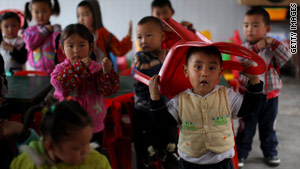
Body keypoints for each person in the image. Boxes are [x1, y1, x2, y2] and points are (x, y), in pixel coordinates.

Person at [148, 46, 264, 169]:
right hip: (189, 164)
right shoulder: (179, 100)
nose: (204, 73)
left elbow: (250, 105)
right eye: (198, 67)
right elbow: (163, 121)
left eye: (212, 68)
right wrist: (154, 97)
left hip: (222, 164)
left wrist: (255, 81)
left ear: (220, 72)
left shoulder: (227, 95)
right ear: (186, 70)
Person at [235, 7, 290, 168]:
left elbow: (286, 56)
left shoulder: (273, 48)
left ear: (267, 29)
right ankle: (242, 153)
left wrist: (273, 43)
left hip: (270, 97)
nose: (249, 29)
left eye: (255, 25)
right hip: (249, 96)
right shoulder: (243, 48)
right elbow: (243, 59)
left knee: (269, 127)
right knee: (246, 127)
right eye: (246, 25)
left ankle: (270, 151)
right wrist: (259, 47)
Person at [50, 23, 120, 149]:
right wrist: (79, 67)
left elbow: (109, 90)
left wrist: (107, 72)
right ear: (62, 49)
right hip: (68, 125)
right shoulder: (59, 70)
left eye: (81, 45)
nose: (76, 50)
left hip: (94, 125)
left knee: (93, 157)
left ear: (90, 47)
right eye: (70, 46)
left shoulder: (97, 68)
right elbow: (62, 85)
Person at [10, 100, 112, 169]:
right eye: (78, 148)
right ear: (51, 146)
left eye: (87, 142)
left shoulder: (97, 163)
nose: (86, 150)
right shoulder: (26, 164)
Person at [133, 16, 177, 169]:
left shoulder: (168, 54)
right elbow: (149, 71)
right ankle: (148, 161)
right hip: (144, 112)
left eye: (148, 35)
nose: (143, 40)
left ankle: (170, 159)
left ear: (162, 36)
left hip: (165, 109)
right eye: (139, 36)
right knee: (147, 147)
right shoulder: (140, 58)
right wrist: (162, 62)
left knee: (170, 144)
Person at [23, 0, 61, 74]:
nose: (40, 15)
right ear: (31, 13)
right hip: (36, 71)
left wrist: (56, 32)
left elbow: (58, 46)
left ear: (51, 11)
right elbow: (30, 45)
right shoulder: (29, 31)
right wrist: (46, 30)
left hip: (55, 70)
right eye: (37, 12)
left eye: (44, 11)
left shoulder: (55, 29)